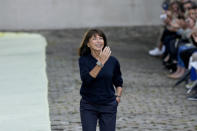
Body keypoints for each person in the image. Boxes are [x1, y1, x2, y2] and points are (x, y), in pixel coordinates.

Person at [78, 29, 123, 131]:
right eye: (94, 39)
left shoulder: (113, 61)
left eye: (101, 38)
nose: (98, 41)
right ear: (88, 44)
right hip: (89, 105)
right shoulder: (84, 60)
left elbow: (118, 81)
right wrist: (100, 63)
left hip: (108, 105)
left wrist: (118, 97)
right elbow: (87, 80)